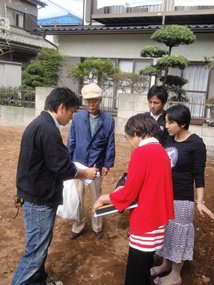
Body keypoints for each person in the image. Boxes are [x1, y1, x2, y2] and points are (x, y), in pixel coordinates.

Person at [11, 87, 98, 285]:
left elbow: (52, 162)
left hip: (33, 194)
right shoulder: (47, 129)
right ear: (61, 107)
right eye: (72, 111)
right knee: (35, 252)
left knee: (40, 245)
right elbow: (61, 167)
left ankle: (38, 281)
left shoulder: (40, 124)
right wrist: (85, 173)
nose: (72, 117)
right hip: (38, 200)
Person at [93, 113, 174, 285]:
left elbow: (129, 193)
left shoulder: (141, 153)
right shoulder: (161, 151)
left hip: (145, 220)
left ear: (136, 134)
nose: (130, 143)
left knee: (135, 273)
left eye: (129, 139)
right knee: (144, 266)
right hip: (158, 219)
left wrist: (104, 197)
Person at [151, 104, 214, 285]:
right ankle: (165, 264)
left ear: (183, 123)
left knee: (178, 235)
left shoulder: (196, 144)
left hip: (182, 198)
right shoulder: (167, 138)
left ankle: (175, 275)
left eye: (171, 122)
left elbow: (199, 175)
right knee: (166, 231)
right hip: (164, 195)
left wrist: (199, 201)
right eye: (167, 121)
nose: (167, 125)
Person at [67, 82, 115, 239]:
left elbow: (110, 142)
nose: (91, 104)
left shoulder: (108, 120)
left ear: (100, 100)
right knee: (78, 197)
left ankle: (97, 226)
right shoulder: (77, 117)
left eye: (94, 100)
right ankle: (78, 225)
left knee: (97, 197)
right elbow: (71, 139)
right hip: (78, 164)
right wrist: (68, 159)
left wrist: (107, 163)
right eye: (88, 100)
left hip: (96, 165)